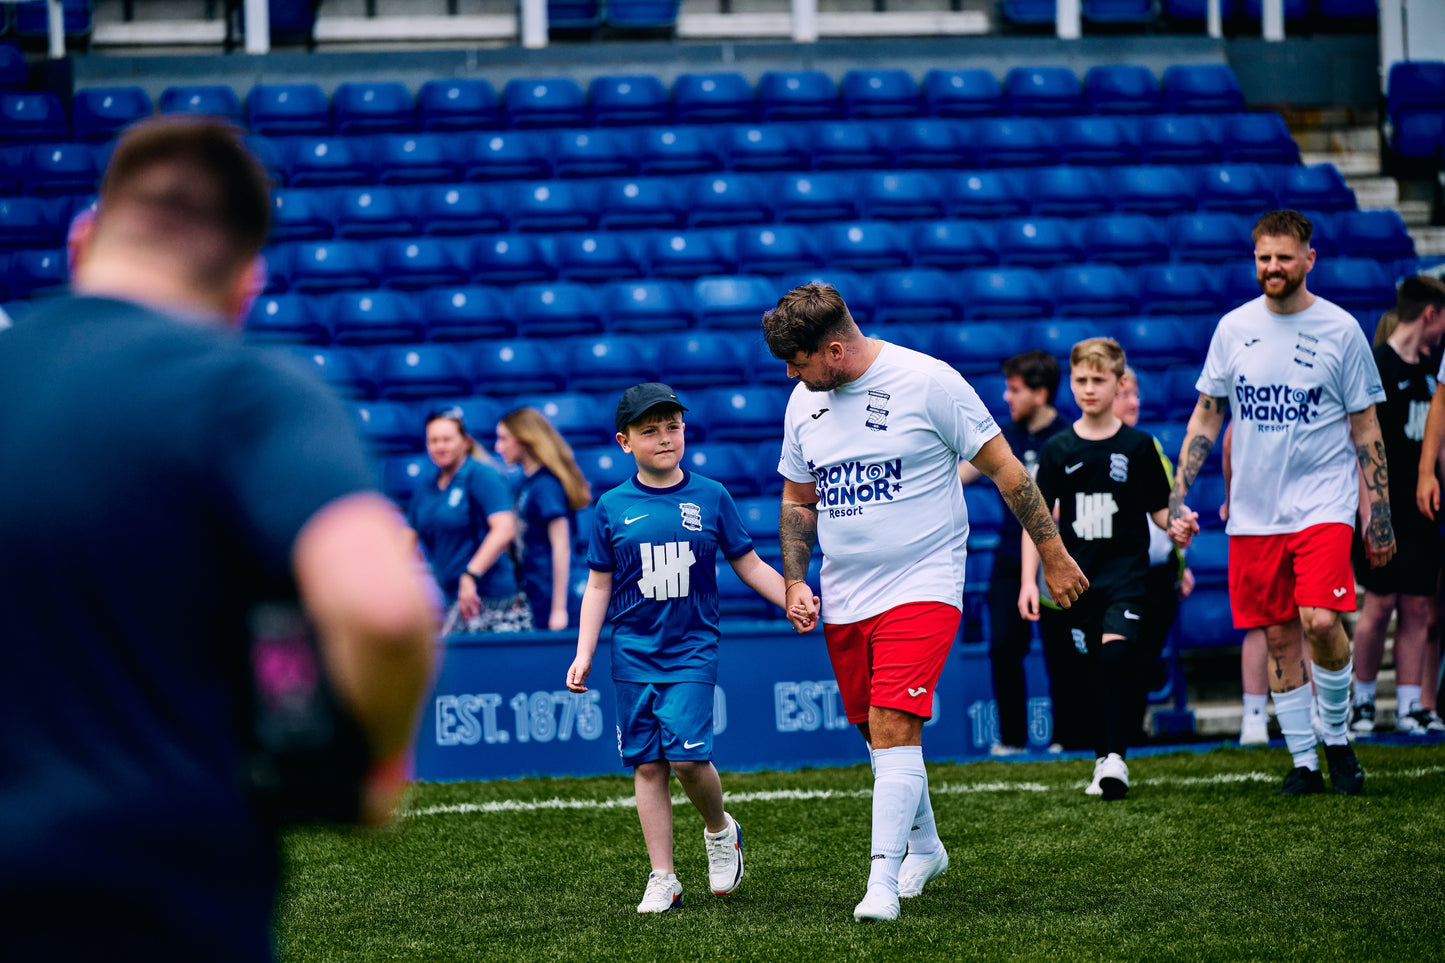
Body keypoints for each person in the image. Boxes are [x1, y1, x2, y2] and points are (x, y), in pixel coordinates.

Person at [0, 117, 435, 959]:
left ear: (82, 241)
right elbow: (382, 605)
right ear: (246, 285)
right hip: (170, 909)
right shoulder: (247, 391)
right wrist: (376, 762)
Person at [764, 284, 1087, 923]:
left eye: (797, 361)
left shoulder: (930, 381)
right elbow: (799, 501)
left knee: (892, 723)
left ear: (833, 348)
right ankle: (927, 847)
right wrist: (796, 579)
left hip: (924, 581)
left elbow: (1009, 473)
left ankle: (881, 882)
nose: (791, 375)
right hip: (848, 591)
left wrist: (1053, 554)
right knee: (875, 733)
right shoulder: (804, 401)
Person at [1168, 209, 1394, 797]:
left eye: (1283, 258)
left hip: (1323, 501)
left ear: (1308, 260)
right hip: (1254, 510)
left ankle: (1338, 739)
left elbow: (1366, 427)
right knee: (1275, 634)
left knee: (1320, 619)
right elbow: (1208, 413)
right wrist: (1178, 491)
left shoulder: (1341, 330)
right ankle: (1303, 761)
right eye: (1263, 258)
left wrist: (1380, 511)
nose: (1272, 268)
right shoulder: (1233, 328)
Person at [566, 383, 815, 915]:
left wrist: (790, 596)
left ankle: (720, 830)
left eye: (672, 426)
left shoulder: (711, 495)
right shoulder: (610, 506)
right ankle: (664, 878)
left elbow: (748, 563)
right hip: (632, 652)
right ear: (624, 441)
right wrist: (585, 651)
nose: (664, 438)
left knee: (685, 757)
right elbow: (598, 585)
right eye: (649, 430)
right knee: (647, 765)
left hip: (691, 650)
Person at [1019, 341, 1173, 800]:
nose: (1088, 389)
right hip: (1076, 580)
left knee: (1118, 656)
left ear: (1119, 383)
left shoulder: (1140, 446)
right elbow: (1039, 520)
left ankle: (1116, 759)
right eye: (1081, 380)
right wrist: (1030, 580)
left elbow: (1161, 511)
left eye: (1098, 380)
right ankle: (1105, 757)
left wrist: (1180, 525)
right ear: (1070, 382)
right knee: (1092, 672)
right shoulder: (1058, 448)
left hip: (1127, 573)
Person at [958, 350, 1069, 755]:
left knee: (1062, 652)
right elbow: (960, 474)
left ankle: (1066, 738)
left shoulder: (1068, 437)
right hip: (1009, 556)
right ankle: (1011, 739)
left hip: (1058, 558)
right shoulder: (1002, 438)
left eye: (1015, 389)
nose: (1006, 397)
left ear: (1040, 394)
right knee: (1004, 645)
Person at [1351, 277, 1445, 735]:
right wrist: (1371, 511)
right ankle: (1363, 702)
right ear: (1430, 314)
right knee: (1379, 604)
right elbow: (1358, 446)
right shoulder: (1376, 366)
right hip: (1382, 507)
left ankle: (1410, 705)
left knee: (1417, 607)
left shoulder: (1431, 372)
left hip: (1424, 509)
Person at [1112, 366, 1195, 747]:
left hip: (1159, 573)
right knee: (1117, 660)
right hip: (1117, 575)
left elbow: (1166, 507)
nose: (1133, 402)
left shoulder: (1150, 446)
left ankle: (1130, 730)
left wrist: (1182, 561)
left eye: (1135, 394)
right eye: (1123, 394)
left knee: (1142, 661)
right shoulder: (1089, 449)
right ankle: (1113, 736)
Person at [407, 408, 531, 635]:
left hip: (492, 599)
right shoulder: (426, 488)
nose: (440, 446)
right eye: (433, 440)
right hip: (452, 600)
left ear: (465, 442)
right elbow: (405, 542)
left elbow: (504, 529)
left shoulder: (482, 476)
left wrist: (470, 575)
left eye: (447, 439)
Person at [495, 406, 592, 631]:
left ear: (524, 439)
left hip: (558, 597)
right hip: (539, 593)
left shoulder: (546, 485)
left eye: (503, 439)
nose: (498, 447)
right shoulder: (526, 484)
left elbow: (562, 547)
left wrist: (559, 609)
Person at [1221, 423, 1274, 746]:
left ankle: (1318, 712)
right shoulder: (1252, 382)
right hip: (1256, 518)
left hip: (1310, 513)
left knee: (1313, 617)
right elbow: (1228, 444)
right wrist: (1232, 497)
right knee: (1259, 621)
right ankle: (1254, 714)